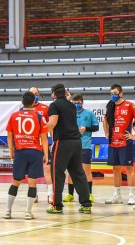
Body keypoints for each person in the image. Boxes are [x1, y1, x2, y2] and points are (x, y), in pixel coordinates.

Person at [46, 84, 92, 214]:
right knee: (78, 173)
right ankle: (86, 204)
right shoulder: (71, 105)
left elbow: (53, 123)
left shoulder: (54, 105)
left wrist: (40, 132)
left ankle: (57, 205)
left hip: (63, 142)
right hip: (76, 142)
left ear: (54, 94)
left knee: (57, 173)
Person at [3, 92, 49, 220]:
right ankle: (28, 213)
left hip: (20, 152)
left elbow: (10, 136)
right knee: (32, 183)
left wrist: (11, 151)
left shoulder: (14, 115)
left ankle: (8, 211)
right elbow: (44, 138)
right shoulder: (39, 117)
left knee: (16, 181)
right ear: (34, 102)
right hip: (35, 152)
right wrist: (46, 154)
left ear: (22, 102)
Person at [103, 84, 135, 205]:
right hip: (113, 142)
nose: (113, 95)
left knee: (129, 168)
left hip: (125, 141)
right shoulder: (110, 105)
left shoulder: (129, 105)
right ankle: (117, 195)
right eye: (111, 93)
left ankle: (131, 195)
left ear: (121, 93)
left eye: (115, 93)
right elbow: (105, 120)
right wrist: (107, 133)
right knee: (115, 168)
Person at [63, 93, 99, 203]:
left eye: (78, 103)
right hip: (71, 145)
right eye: (74, 103)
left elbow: (96, 127)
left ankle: (89, 193)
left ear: (82, 102)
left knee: (86, 170)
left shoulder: (89, 113)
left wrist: (86, 128)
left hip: (85, 145)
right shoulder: (69, 114)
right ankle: (70, 194)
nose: (77, 105)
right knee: (70, 171)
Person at [28, 87, 53, 203]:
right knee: (32, 171)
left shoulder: (45, 108)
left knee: (47, 168)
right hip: (31, 143)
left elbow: (51, 126)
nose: (35, 96)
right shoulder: (25, 109)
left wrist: (52, 141)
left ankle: (50, 194)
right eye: (32, 94)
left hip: (43, 142)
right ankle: (34, 195)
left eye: (36, 93)